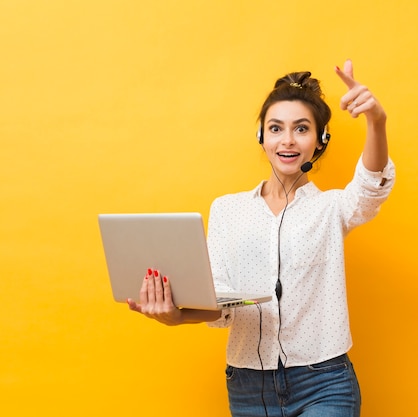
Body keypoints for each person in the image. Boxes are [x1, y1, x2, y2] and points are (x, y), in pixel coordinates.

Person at [126, 60, 394, 417]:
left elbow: (370, 187)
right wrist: (174, 315)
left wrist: (377, 120)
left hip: (324, 382)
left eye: (301, 129)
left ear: (320, 140)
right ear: (262, 137)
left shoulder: (332, 208)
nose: (287, 140)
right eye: (276, 128)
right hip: (248, 387)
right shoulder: (226, 210)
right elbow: (218, 301)